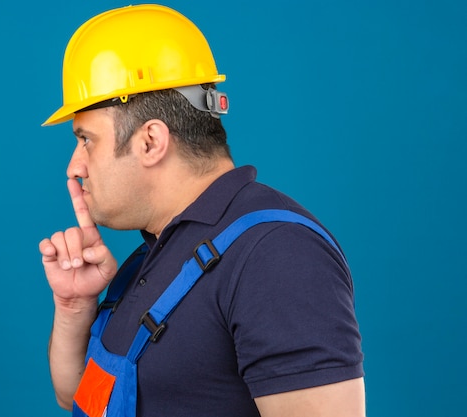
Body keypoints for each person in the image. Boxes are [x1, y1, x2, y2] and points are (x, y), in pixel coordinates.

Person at [39, 4, 365, 417]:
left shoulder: (276, 255)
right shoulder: (157, 251)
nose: (74, 166)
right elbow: (77, 396)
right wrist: (73, 308)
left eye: (86, 139)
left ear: (151, 141)